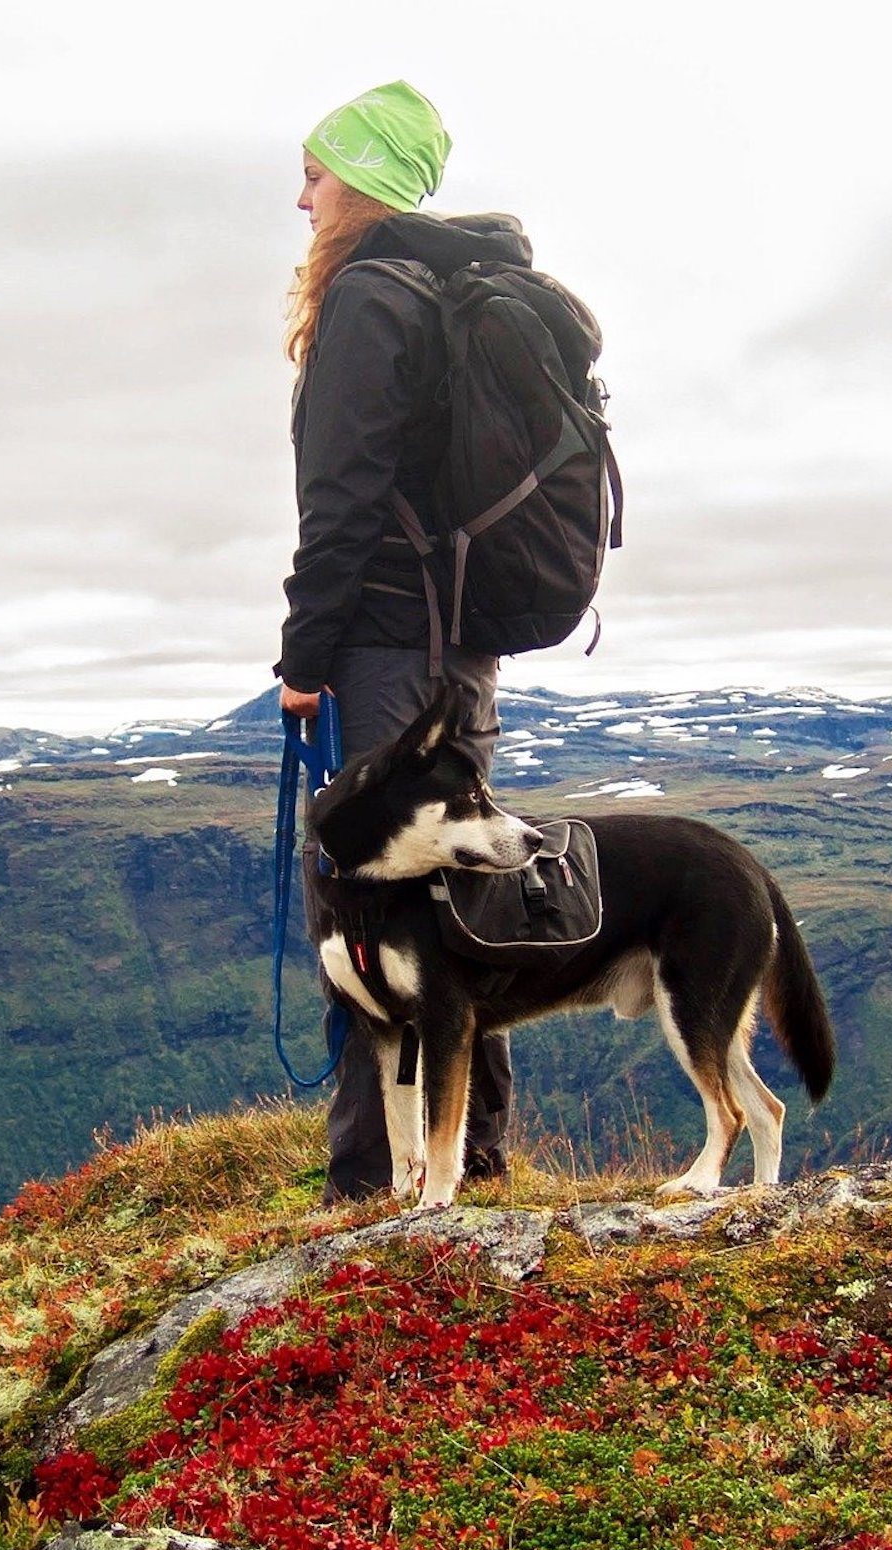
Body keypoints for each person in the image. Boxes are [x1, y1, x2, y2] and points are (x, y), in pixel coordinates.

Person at [274, 81, 528, 1202]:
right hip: (459, 646)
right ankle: (470, 1150)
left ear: (365, 181)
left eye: (317, 174)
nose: (303, 196)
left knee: (373, 899)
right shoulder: (442, 291)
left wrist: (303, 656)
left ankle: (367, 1176)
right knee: (456, 886)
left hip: (384, 644)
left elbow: (341, 502)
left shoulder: (371, 298)